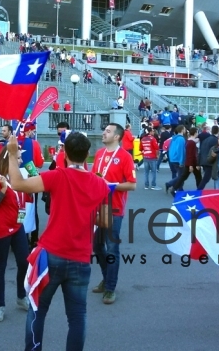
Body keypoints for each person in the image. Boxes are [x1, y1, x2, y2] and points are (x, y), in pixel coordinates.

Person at [6, 132, 109, 351]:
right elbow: (106, 220)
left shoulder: (57, 176)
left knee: (38, 309)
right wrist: (84, 212)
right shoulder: (100, 184)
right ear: (87, 154)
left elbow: (17, 183)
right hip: (80, 257)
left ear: (64, 154)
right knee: (77, 316)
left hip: (51, 255)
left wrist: (13, 155)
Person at [92, 124, 137, 304]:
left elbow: (132, 184)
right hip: (97, 207)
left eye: (108, 131)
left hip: (115, 209)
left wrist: (111, 186)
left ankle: (110, 288)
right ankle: (106, 278)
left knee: (112, 249)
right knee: (97, 246)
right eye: (105, 130)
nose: (104, 133)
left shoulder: (125, 157)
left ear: (117, 136)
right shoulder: (99, 154)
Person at [0, 148, 31, 322]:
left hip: (17, 226)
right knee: (0, 266)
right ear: (8, 159)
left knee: (24, 262)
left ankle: (21, 296)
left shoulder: (18, 176)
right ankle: (0, 306)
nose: (20, 161)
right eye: (17, 158)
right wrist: (3, 189)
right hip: (0, 228)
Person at [166, 127, 201, 195]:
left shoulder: (175, 138)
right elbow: (182, 151)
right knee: (182, 176)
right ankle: (173, 186)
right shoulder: (182, 139)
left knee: (182, 176)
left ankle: (175, 188)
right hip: (183, 160)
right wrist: (181, 161)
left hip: (174, 158)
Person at [197, 125, 219, 190]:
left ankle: (199, 190)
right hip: (209, 161)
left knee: (206, 178)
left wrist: (199, 162)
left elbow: (200, 151)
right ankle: (198, 191)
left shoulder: (206, 140)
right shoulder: (215, 140)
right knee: (206, 178)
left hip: (203, 160)